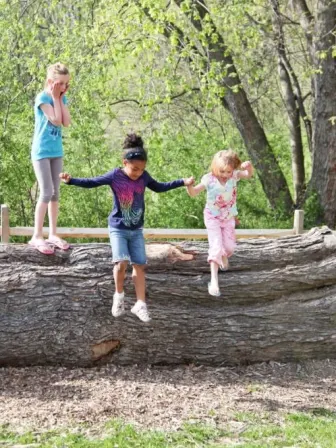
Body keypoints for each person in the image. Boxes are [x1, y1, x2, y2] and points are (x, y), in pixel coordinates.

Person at [59, 133, 194, 322]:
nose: (138, 172)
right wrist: (71, 180)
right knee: (121, 262)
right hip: (118, 228)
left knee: (139, 265)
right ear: (125, 162)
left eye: (142, 169)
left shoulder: (144, 177)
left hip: (136, 229)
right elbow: (92, 182)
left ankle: (140, 304)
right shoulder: (115, 176)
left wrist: (181, 182)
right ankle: (119, 296)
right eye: (135, 169)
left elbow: (160, 187)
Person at [186, 149, 253, 297]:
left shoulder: (234, 176)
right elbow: (193, 193)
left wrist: (248, 167)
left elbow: (248, 175)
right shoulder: (208, 179)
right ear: (215, 168)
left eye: (228, 172)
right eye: (222, 172)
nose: (225, 175)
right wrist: (189, 185)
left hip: (228, 217)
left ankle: (224, 255)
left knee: (229, 247)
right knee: (216, 246)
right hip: (212, 217)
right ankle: (214, 280)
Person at [29, 62, 71, 255]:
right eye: (60, 83)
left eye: (66, 84)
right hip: (41, 152)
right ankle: (37, 235)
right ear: (50, 82)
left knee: (56, 194)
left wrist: (61, 99)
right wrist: (55, 97)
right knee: (46, 192)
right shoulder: (43, 98)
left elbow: (66, 122)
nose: (63, 87)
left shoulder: (61, 98)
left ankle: (53, 233)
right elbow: (54, 119)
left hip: (56, 151)